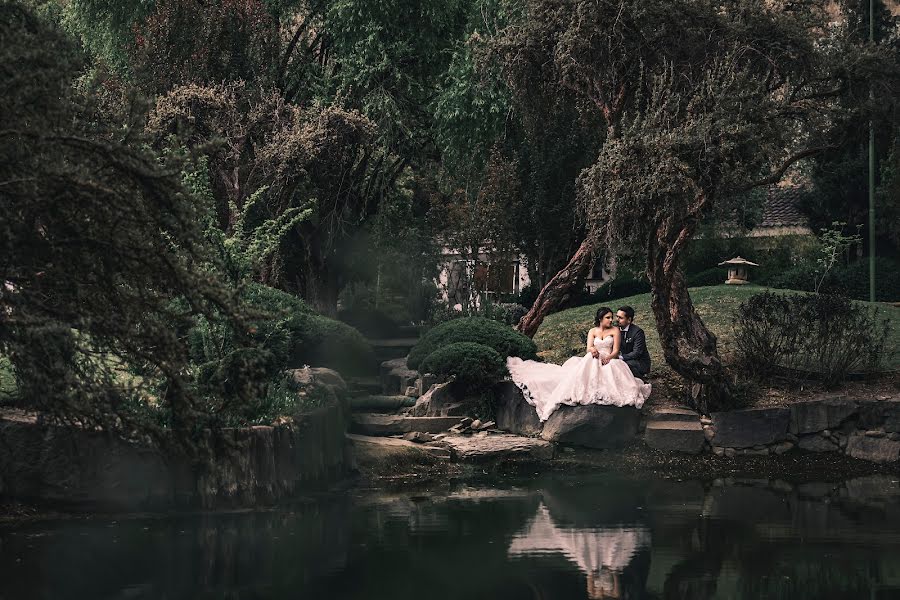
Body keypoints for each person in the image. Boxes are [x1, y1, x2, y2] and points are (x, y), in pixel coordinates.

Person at [506, 307, 651, 422]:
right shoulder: (593, 331)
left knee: (613, 374)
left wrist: (610, 357)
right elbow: (588, 347)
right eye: (609, 317)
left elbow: (617, 350)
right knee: (585, 369)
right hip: (594, 357)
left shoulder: (617, 331)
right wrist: (593, 349)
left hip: (610, 358)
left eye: (614, 317)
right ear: (600, 319)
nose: (612, 320)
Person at [615, 306, 651, 378]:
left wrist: (620, 357)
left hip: (640, 362)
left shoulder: (637, 332)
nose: (617, 320)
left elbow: (637, 352)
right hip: (625, 359)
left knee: (623, 364)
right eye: (617, 317)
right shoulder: (616, 330)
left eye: (621, 318)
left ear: (629, 320)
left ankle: (641, 381)